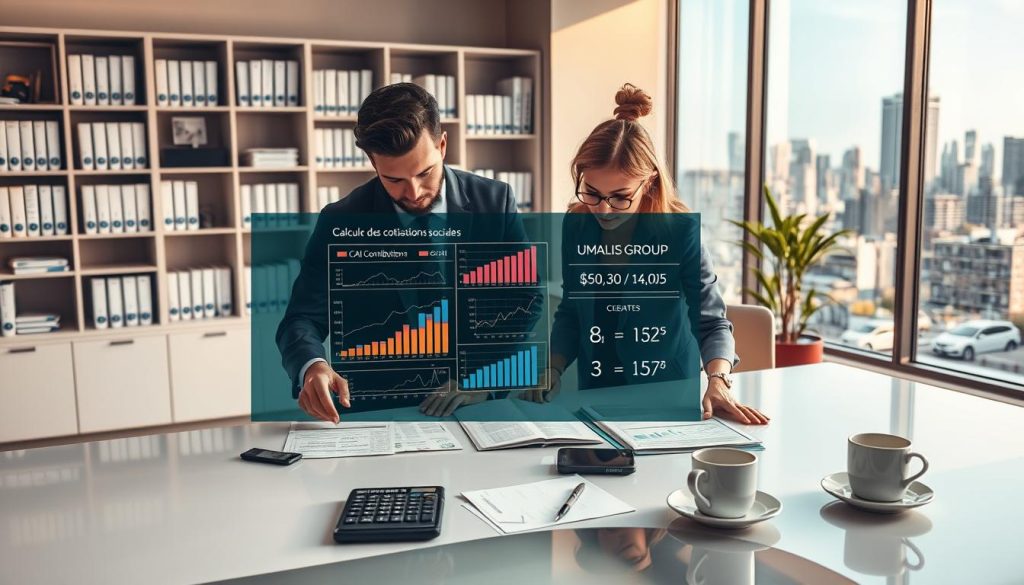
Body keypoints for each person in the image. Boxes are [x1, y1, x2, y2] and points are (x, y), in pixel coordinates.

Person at [277, 83, 524, 423]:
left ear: (442, 144)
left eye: (425, 172)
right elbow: (302, 317)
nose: (415, 192)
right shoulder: (341, 220)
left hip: (474, 408)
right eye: (393, 180)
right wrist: (312, 366)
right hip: (378, 411)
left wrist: (483, 380)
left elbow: (525, 301)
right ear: (372, 162)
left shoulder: (495, 202)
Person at [536, 84, 768, 425]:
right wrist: (553, 368)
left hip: (667, 392)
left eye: (620, 196)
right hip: (597, 390)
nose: (603, 209)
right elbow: (572, 309)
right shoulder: (577, 224)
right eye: (592, 192)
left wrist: (718, 380)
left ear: (651, 184)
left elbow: (711, 320)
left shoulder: (679, 230)